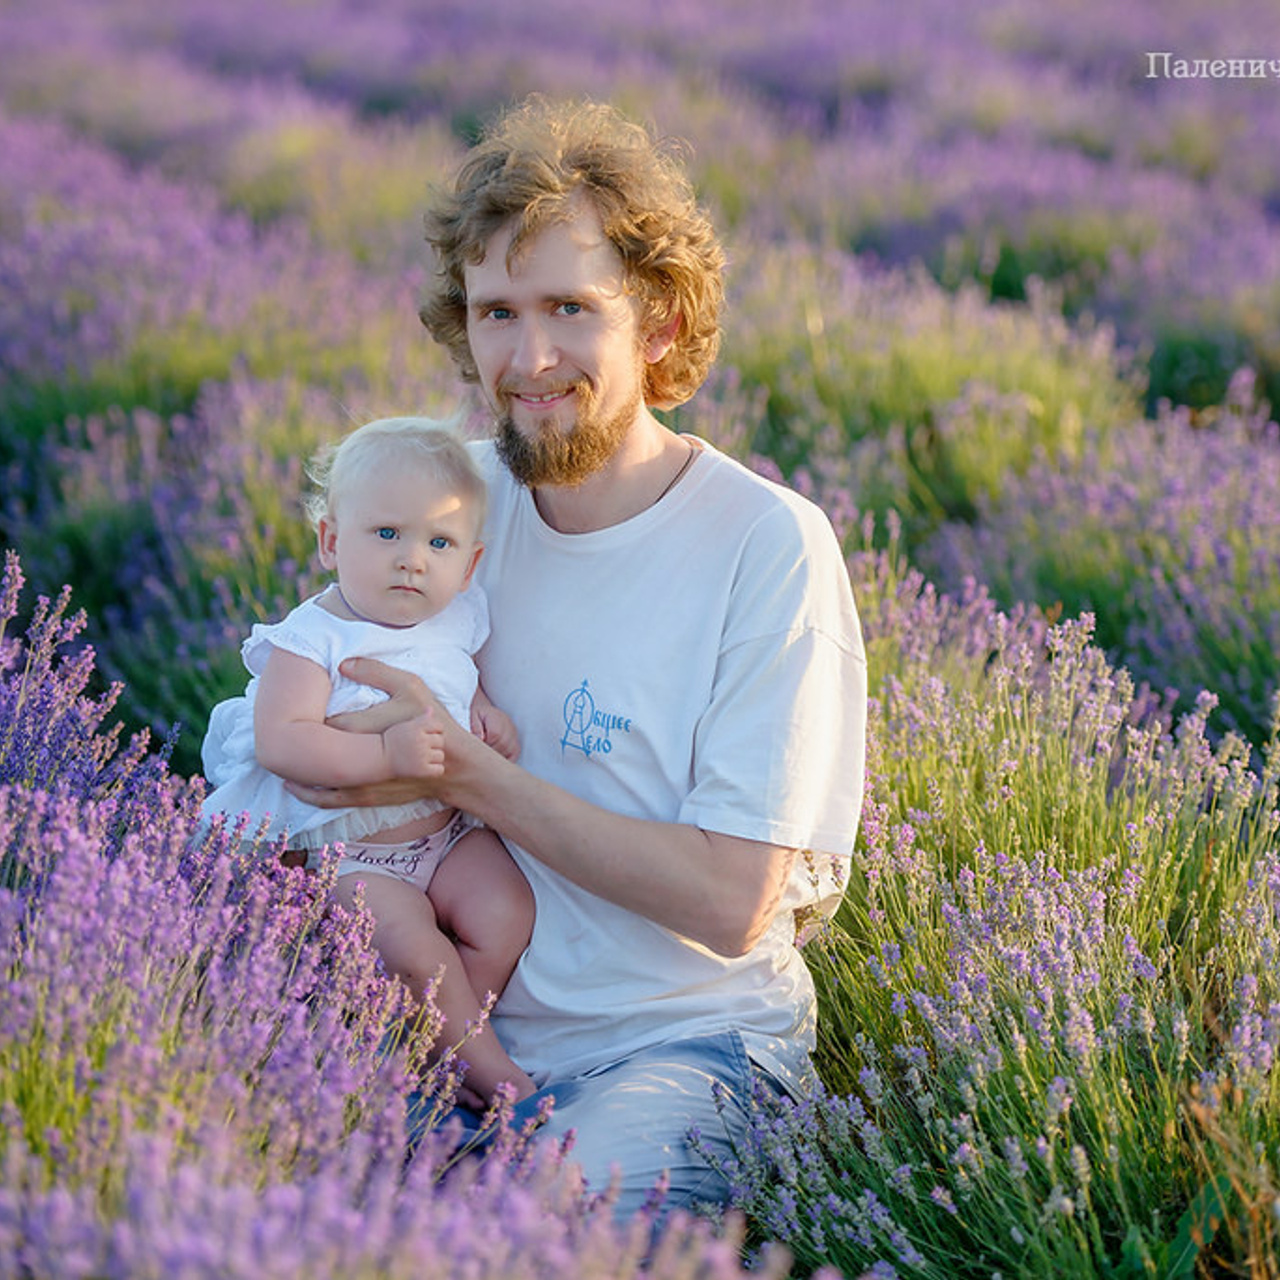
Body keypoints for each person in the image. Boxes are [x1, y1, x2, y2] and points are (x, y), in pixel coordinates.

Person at [290, 96, 868, 1220]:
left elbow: (731, 900)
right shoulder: (446, 503)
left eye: (570, 306)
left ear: (655, 322)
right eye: (496, 312)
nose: (529, 355)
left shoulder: (764, 545)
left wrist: (463, 771)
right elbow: (314, 724)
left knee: (519, 1231)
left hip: (685, 1046)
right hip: (448, 1024)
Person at [200, 416, 536, 1108]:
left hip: (445, 838)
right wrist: (384, 751)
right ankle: (491, 1073)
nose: (412, 558)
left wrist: (488, 716)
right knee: (417, 949)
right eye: (386, 534)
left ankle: (438, 1040)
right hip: (352, 858)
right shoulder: (311, 637)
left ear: (469, 564)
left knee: (506, 910)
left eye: (439, 542)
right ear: (330, 540)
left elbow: (463, 680)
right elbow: (282, 739)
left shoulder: (457, 618)